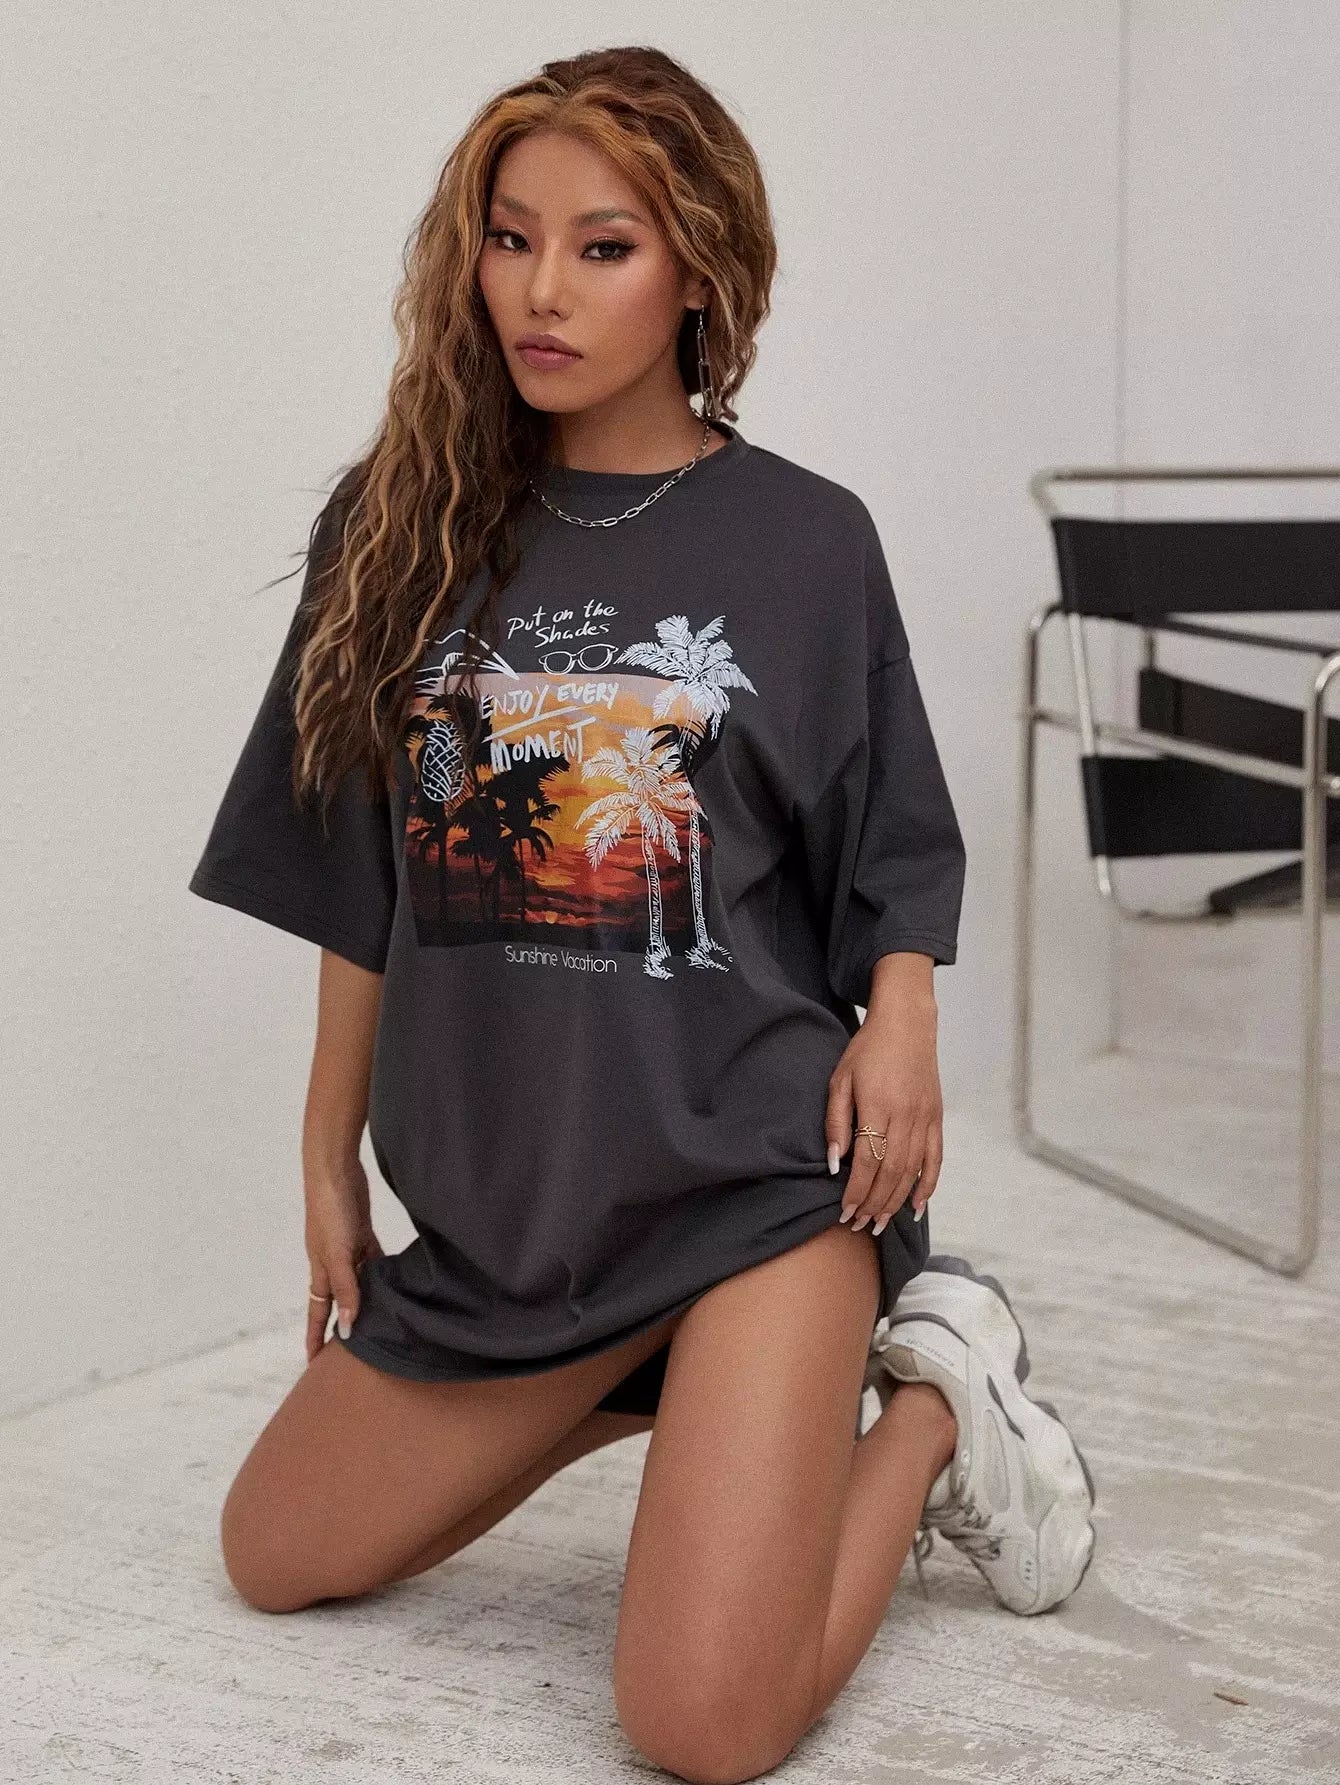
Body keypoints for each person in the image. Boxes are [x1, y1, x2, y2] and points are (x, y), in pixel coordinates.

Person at [187, 45, 1095, 1781]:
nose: (541, 289)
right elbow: (354, 872)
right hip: (511, 1226)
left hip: (754, 1189)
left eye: (602, 246)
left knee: (702, 1722)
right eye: (509, 236)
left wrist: (903, 1016)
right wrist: (324, 1149)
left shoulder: (807, 541)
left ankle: (933, 1401)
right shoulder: (399, 523)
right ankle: (687, 1410)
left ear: (698, 270)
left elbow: (896, 835)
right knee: (275, 1548)